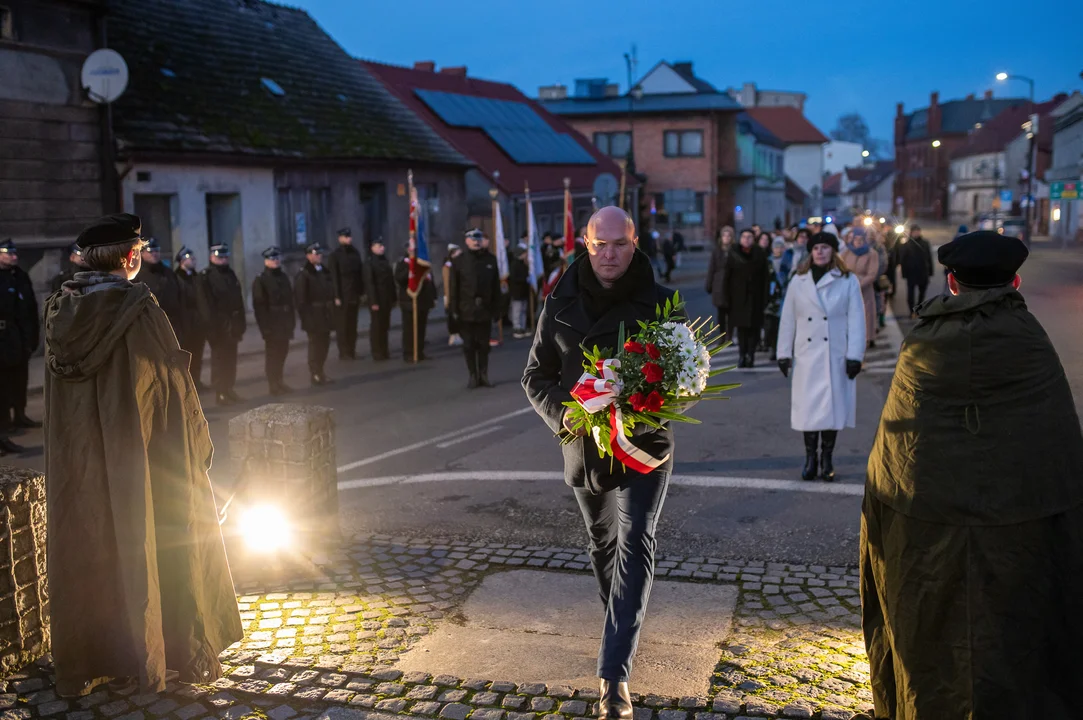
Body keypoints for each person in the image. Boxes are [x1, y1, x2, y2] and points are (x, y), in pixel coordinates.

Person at [860, 231, 1083, 719]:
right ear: (1016, 281)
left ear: (952, 281)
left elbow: (895, 450)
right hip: (1020, 527)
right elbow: (1058, 446)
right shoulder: (1030, 341)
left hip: (927, 524)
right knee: (1010, 636)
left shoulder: (923, 343)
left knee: (932, 633)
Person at [43, 213, 243, 698]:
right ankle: (167, 652)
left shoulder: (58, 311)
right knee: (153, 543)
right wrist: (195, 448)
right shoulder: (139, 308)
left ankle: (92, 658)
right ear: (131, 257)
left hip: (80, 468)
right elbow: (171, 389)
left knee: (91, 544)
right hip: (145, 463)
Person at [523, 206, 676, 720]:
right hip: (584, 444)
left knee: (637, 540)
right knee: (602, 541)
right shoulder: (559, 300)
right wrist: (565, 414)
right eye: (600, 244)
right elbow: (535, 376)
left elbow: (684, 380)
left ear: (635, 243)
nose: (610, 254)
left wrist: (648, 399)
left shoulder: (660, 301)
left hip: (644, 444)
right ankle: (622, 623)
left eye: (620, 244)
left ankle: (615, 678)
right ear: (585, 244)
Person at [776, 232, 865, 482]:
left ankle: (827, 458)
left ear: (833, 251)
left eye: (825, 247)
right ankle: (810, 458)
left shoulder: (847, 280)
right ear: (811, 251)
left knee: (831, 410)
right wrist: (783, 353)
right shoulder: (798, 280)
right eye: (816, 248)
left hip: (834, 355)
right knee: (808, 410)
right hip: (806, 356)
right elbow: (788, 319)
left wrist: (855, 355)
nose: (820, 252)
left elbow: (857, 320)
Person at [0, 238, 40, 455]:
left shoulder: (19, 277)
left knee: (12, 383)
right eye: (8, 253)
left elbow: (27, 309)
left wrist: (30, 338)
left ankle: (8, 429)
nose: (13, 257)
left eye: (14, 253)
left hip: (13, 337)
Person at [449, 228, 500, 388]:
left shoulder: (490, 260)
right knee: (469, 345)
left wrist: (497, 309)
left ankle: (484, 375)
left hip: (484, 309)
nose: (476, 241)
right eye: (472, 238)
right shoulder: (459, 261)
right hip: (466, 310)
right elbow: (453, 288)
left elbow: (496, 287)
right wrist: (453, 311)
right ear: (466, 241)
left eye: (478, 237)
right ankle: (473, 375)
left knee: (484, 345)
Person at [196, 243, 245, 406]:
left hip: (233, 324)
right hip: (218, 325)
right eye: (219, 257)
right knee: (219, 360)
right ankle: (220, 392)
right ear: (211, 257)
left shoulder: (230, 273)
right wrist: (210, 329)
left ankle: (229, 388)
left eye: (225, 257)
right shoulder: (206, 276)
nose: (223, 259)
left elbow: (239, 300)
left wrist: (241, 323)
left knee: (231, 359)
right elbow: (205, 306)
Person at [251, 246, 295, 395]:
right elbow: (260, 307)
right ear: (266, 261)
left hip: (284, 322)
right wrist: (265, 328)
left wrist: (292, 322)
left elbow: (290, 300)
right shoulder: (261, 280)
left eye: (277, 258)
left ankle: (280, 380)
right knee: (273, 355)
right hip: (272, 323)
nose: (275, 261)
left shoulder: (283, 277)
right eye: (272, 259)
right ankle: (273, 384)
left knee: (283, 352)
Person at [725, 228, 769, 368]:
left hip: (756, 297)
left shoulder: (759, 254)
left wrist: (765, 297)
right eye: (744, 236)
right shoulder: (733, 253)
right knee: (742, 329)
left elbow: (765, 278)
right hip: (738, 298)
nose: (746, 239)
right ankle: (742, 355)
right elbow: (727, 277)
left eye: (749, 237)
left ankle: (751, 355)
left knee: (754, 329)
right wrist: (727, 298)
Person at [294, 242, 335, 385]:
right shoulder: (304, 274)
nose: (319, 256)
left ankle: (321, 370)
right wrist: (306, 318)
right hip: (313, 314)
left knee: (324, 343)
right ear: (308, 256)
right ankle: (315, 372)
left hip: (325, 313)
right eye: (315, 254)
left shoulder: (324, 271)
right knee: (315, 344)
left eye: (320, 254)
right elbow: (301, 300)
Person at [134, 237, 185, 340]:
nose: (154, 254)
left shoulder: (168, 273)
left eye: (156, 251)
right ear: (142, 253)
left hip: (171, 324)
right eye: (150, 251)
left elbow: (179, 298)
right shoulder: (136, 275)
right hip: (148, 324)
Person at [327, 227, 364, 360]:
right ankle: (344, 351)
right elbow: (334, 277)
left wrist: (361, 291)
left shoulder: (355, 253)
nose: (348, 239)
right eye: (345, 237)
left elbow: (359, 273)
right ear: (340, 239)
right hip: (342, 294)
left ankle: (352, 350)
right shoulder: (335, 255)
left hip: (354, 293)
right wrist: (336, 296)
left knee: (352, 324)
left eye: (349, 237)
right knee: (342, 325)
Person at [840, 227, 879, 349]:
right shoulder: (846, 252)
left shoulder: (871, 253)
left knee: (866, 314)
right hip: (848, 288)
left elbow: (872, 274)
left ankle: (868, 338)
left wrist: (858, 284)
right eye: (855, 239)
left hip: (864, 289)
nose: (858, 242)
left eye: (860, 239)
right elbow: (840, 268)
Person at [395, 250, 437, 362]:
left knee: (421, 328)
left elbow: (430, 280)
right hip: (409, 300)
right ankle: (409, 353)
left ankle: (419, 352)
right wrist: (411, 268)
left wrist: (434, 297)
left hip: (423, 301)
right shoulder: (403, 263)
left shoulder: (423, 263)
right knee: (409, 329)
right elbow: (399, 279)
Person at [174, 246, 206, 391]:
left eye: (194, 258)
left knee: (197, 355)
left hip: (198, 322)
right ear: (182, 260)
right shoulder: (176, 278)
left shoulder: (196, 277)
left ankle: (196, 381)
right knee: (185, 355)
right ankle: (185, 385)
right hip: (185, 323)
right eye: (190, 258)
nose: (193, 261)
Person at [362, 237, 395, 361]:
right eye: (379, 246)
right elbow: (370, 284)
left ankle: (384, 350)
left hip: (386, 298)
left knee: (385, 325)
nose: (382, 248)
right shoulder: (369, 263)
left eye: (382, 246)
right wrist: (374, 301)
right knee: (377, 326)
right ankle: (377, 351)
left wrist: (393, 297)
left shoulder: (384, 261)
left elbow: (390, 281)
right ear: (373, 248)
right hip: (377, 299)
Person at [705, 226, 734, 342]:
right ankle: (722, 336)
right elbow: (711, 269)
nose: (726, 238)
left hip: (732, 286)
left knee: (731, 314)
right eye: (724, 235)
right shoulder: (716, 251)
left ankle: (730, 337)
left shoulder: (734, 250)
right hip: (719, 286)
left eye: (728, 236)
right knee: (721, 314)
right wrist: (709, 284)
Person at [898, 224, 934, 316]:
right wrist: (904, 273)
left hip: (923, 272)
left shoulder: (925, 243)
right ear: (911, 233)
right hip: (911, 272)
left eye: (918, 231)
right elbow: (903, 260)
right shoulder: (906, 245)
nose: (916, 233)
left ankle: (918, 308)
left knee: (922, 292)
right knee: (910, 293)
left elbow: (929, 258)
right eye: (914, 231)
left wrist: (930, 271)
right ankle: (911, 310)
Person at [763, 238, 789, 361]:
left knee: (781, 326)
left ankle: (778, 350)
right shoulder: (768, 262)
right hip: (771, 298)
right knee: (770, 325)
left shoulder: (787, 261)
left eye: (780, 247)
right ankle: (771, 345)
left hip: (784, 297)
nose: (778, 249)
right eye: (776, 247)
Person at [508, 242, 532, 339]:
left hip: (523, 290)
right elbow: (513, 278)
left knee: (523, 309)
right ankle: (517, 326)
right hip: (517, 290)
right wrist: (524, 279)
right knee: (517, 309)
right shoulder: (514, 264)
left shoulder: (523, 264)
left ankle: (522, 326)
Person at [442, 243, 463, 346]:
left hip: (459, 294)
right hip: (451, 294)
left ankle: (459, 333)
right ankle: (453, 334)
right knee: (452, 315)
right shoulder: (448, 265)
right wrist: (447, 296)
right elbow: (447, 282)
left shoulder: (458, 263)